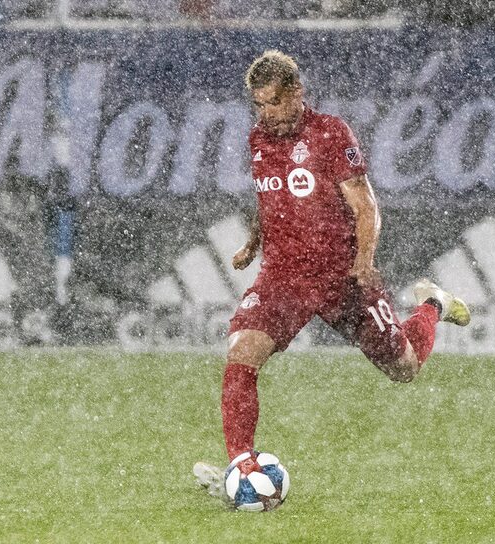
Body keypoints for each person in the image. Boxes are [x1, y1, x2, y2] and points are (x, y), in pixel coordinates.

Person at [194, 50, 470, 498]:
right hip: (283, 278)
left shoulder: (329, 133)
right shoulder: (259, 140)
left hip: (342, 278)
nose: (266, 114)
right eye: (258, 105)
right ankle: (242, 465)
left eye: (273, 103)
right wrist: (253, 242)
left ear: (297, 93)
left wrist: (363, 260)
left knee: (405, 367)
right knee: (242, 353)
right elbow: (270, 197)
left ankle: (432, 302)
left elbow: (366, 205)